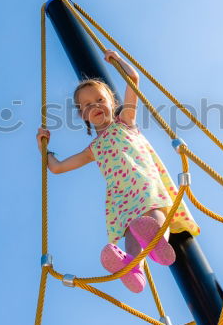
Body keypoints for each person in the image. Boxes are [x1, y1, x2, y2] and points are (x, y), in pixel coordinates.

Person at [36, 49, 199, 292]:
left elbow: (133, 79)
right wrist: (44, 149)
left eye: (100, 100)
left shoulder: (126, 121)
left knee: (153, 214)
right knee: (132, 231)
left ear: (112, 101)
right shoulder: (93, 149)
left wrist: (116, 60)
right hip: (120, 197)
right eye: (88, 105)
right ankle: (134, 268)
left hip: (143, 183)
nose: (96, 106)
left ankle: (158, 245)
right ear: (83, 116)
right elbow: (58, 168)